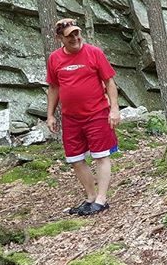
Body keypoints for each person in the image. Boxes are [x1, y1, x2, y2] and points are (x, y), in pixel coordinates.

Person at [46, 18, 121, 215]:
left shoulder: (94, 53)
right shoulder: (54, 59)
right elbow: (54, 87)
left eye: (77, 33)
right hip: (70, 118)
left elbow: (109, 82)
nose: (75, 38)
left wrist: (114, 109)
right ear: (59, 38)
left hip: (97, 113)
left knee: (101, 156)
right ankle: (90, 197)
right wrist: (50, 115)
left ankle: (102, 199)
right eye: (70, 35)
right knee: (75, 159)